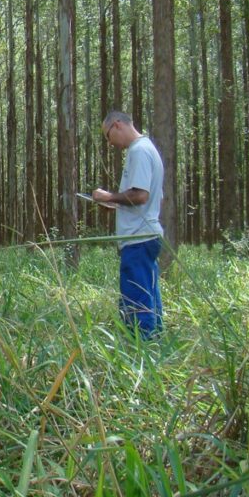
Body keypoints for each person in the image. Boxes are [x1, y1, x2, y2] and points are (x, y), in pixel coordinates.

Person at [92, 110, 164, 338]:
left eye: (107, 136)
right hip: (142, 238)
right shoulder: (145, 148)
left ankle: (141, 350)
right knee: (148, 296)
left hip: (138, 240)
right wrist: (114, 204)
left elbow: (140, 195)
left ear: (117, 125)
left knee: (136, 301)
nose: (110, 143)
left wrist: (108, 196)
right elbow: (140, 201)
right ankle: (155, 343)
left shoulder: (140, 151)